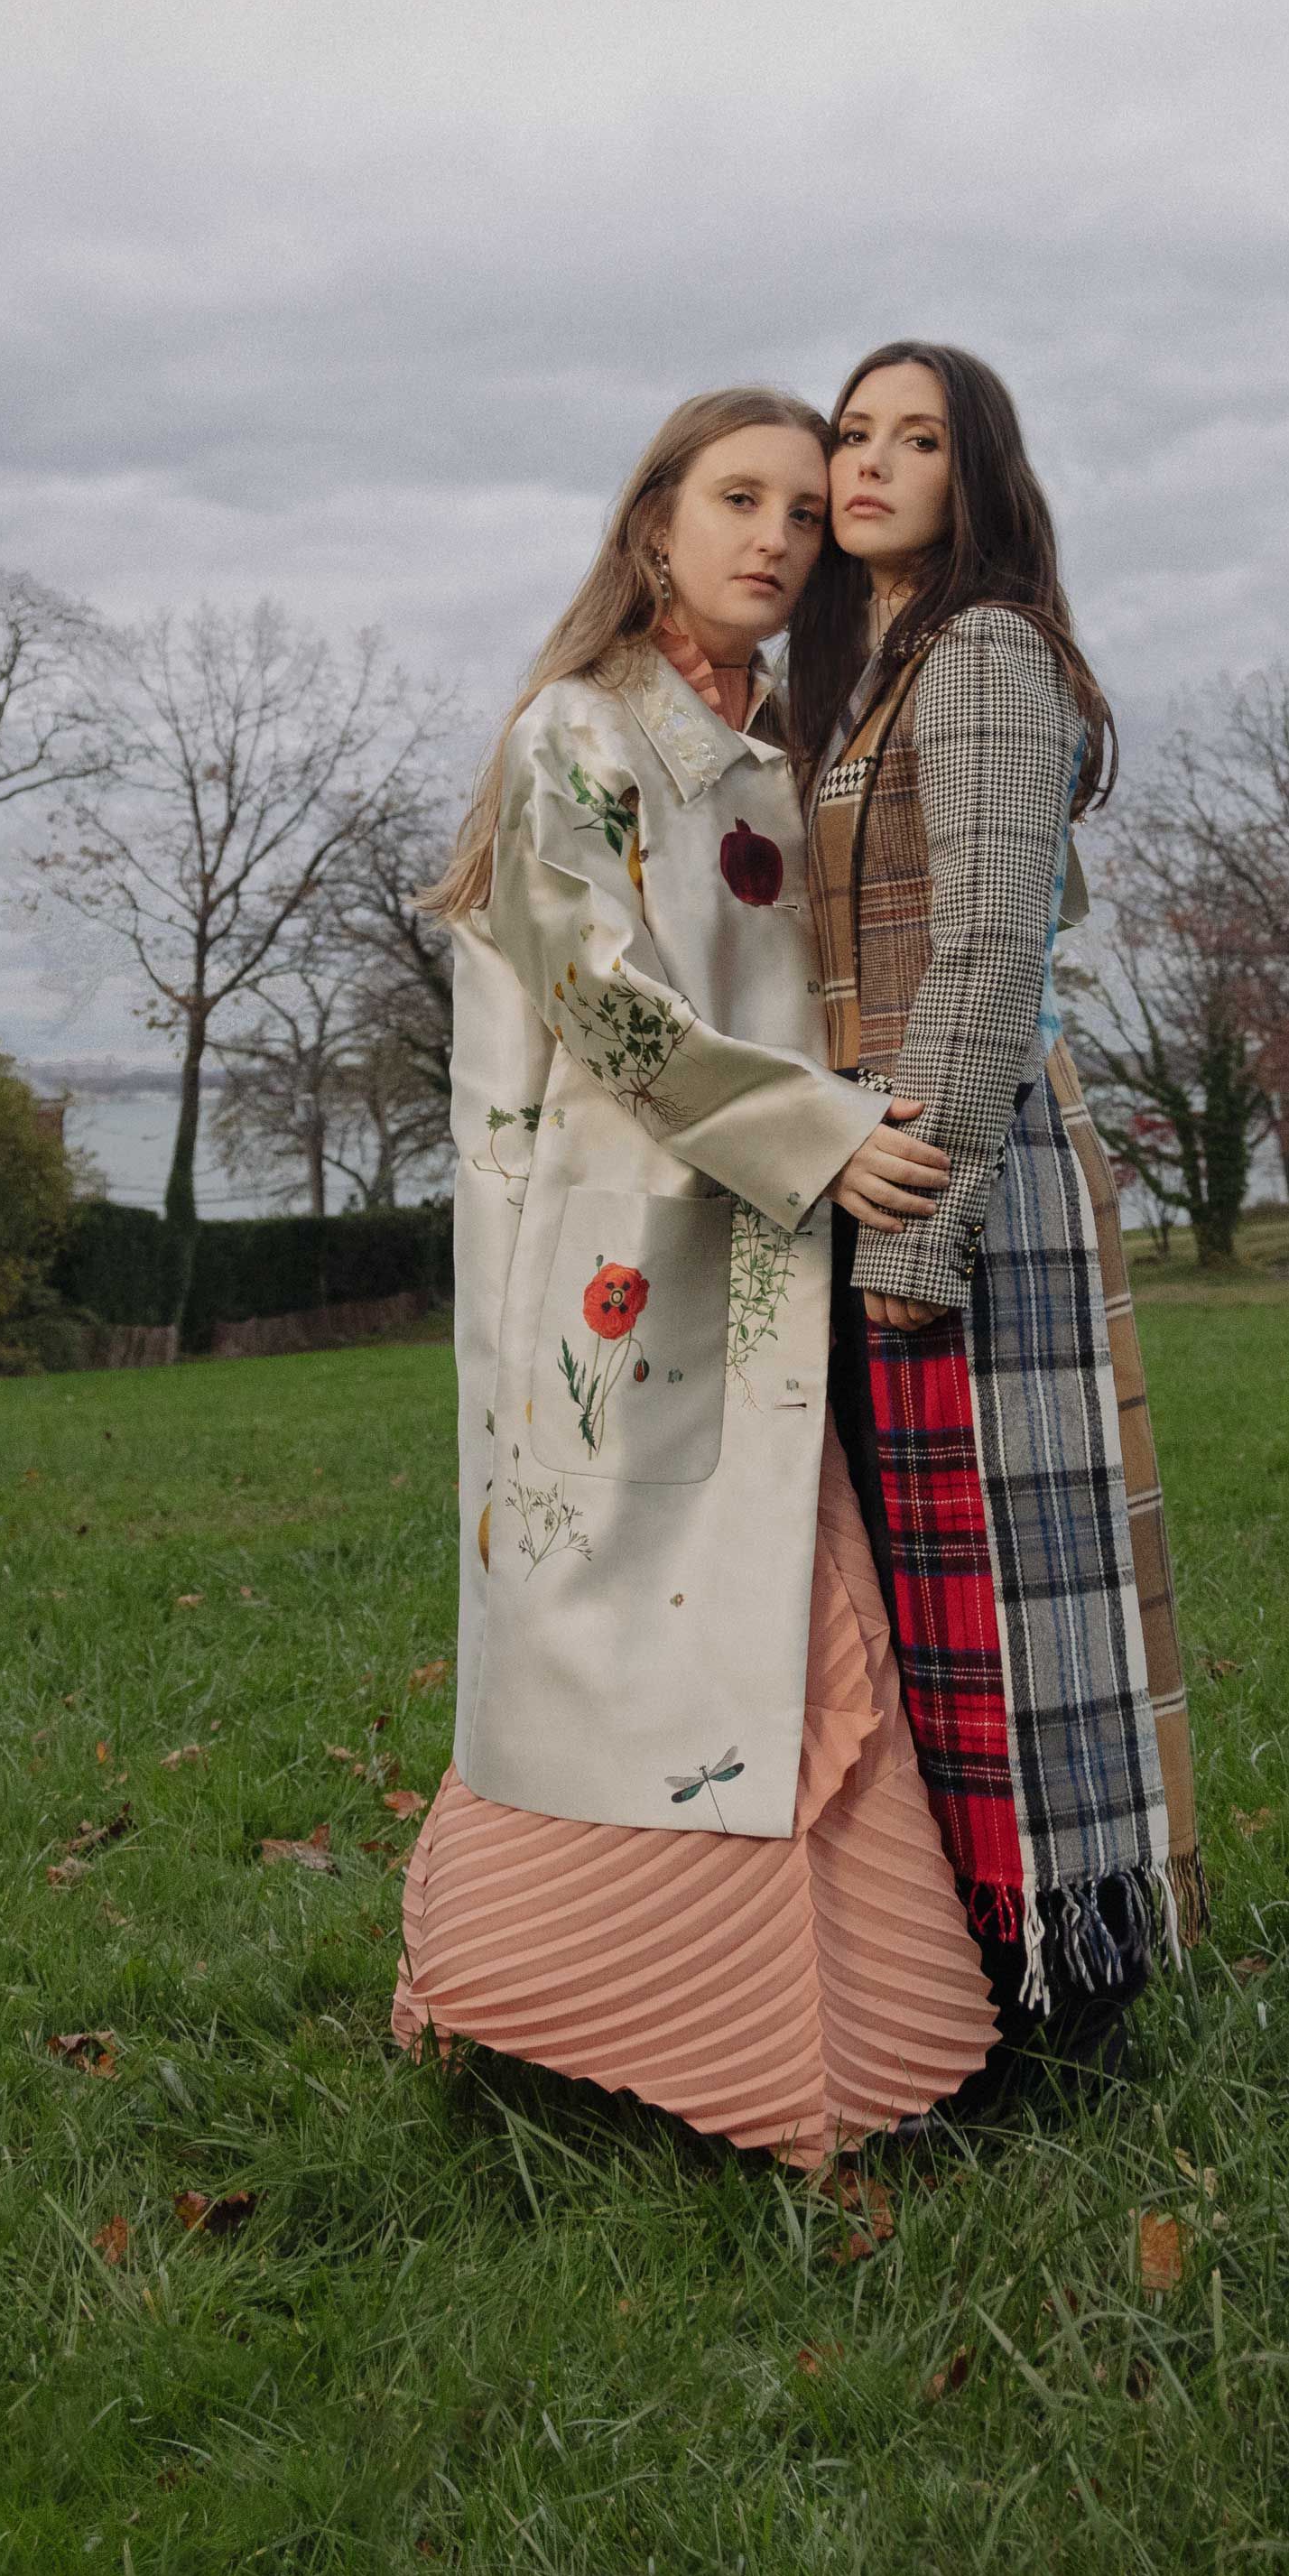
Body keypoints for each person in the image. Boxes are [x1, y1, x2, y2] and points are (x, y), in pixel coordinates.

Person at [394, 385, 998, 2166]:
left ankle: (833, 2043)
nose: (776, 538)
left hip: (760, 1267)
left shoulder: (780, 758)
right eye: (740, 498)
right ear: (654, 520)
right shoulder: (578, 737)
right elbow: (604, 1003)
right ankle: (584, 2009)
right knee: (606, 1635)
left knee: (785, 1616)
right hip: (602, 1266)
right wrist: (819, 1133)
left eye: (807, 514)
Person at [790, 340, 1201, 2062]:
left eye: (918, 438)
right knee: (936, 1594)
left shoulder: (978, 654)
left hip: (972, 1169)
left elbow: (985, 949)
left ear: (981, 474)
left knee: (1022, 1589)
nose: (869, 465)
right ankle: (963, 1972)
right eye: (851, 434)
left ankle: (1071, 1988)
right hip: (886, 1155)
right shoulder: (872, 668)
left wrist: (920, 1221)